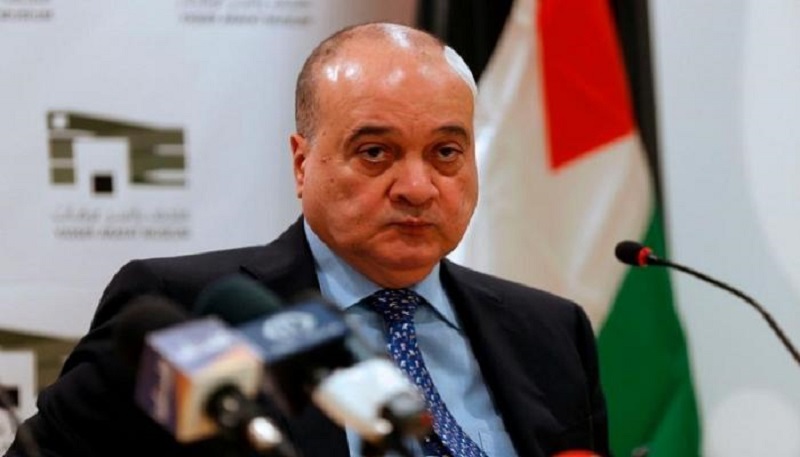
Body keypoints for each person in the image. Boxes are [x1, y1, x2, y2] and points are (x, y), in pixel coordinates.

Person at [6, 22, 609, 457]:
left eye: (446, 152)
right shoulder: (186, 312)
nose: (417, 187)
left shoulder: (550, 332)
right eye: (376, 152)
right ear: (302, 164)